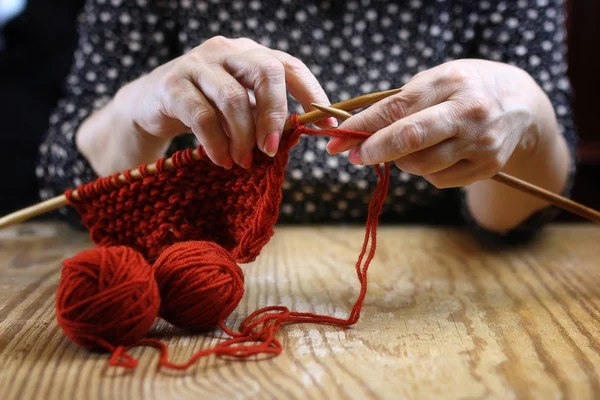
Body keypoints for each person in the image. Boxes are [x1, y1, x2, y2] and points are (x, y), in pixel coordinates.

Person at [36, 0, 577, 245]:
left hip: (448, 270)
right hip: (186, 260)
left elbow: (513, 222)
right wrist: (137, 110)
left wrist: (526, 114)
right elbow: (67, 186)